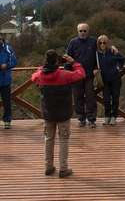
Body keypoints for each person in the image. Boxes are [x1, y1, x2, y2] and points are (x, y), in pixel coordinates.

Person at [31, 50, 85, 178]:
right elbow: (81, 74)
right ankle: (63, 169)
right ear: (57, 61)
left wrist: (42, 68)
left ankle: (48, 167)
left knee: (48, 139)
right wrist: (74, 63)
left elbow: (33, 77)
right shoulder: (65, 75)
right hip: (63, 113)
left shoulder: (40, 75)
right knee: (64, 140)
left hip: (48, 113)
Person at [66, 23, 97, 128]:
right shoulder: (73, 42)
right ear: (77, 31)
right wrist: (67, 73)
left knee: (90, 97)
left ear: (88, 31)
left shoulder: (93, 41)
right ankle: (81, 119)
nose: (83, 33)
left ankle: (91, 119)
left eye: (85, 31)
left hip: (89, 75)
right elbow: (68, 58)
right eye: (81, 31)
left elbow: (101, 52)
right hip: (76, 75)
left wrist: (97, 68)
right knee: (77, 97)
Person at [96, 35, 125, 126]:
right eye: (100, 42)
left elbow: (122, 59)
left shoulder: (112, 51)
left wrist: (119, 68)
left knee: (115, 98)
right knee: (106, 99)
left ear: (107, 43)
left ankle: (114, 117)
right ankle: (107, 117)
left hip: (115, 79)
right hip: (104, 80)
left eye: (104, 42)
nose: (102, 44)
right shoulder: (97, 54)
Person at [0, 35, 17, 129]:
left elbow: (14, 62)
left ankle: (7, 121)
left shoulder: (8, 48)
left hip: (5, 80)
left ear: (2, 39)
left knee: (6, 101)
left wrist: (6, 65)